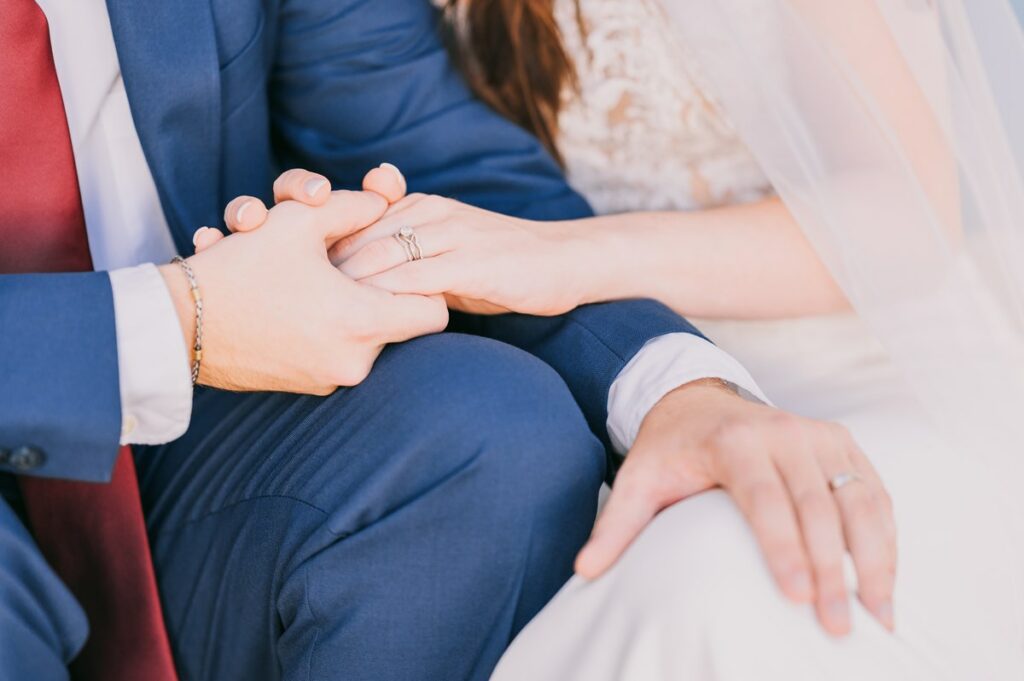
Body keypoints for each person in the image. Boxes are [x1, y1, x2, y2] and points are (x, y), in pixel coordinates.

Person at [0, 1, 889, 680]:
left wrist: (674, 387)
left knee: (494, 432)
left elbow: (413, 135)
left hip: (199, 443)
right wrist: (179, 321)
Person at [232, 1, 1024, 679]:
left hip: (871, 369)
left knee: (724, 582)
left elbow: (905, 220)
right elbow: (401, 130)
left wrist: (566, 258)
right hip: (591, 384)